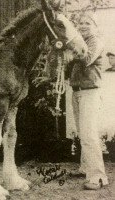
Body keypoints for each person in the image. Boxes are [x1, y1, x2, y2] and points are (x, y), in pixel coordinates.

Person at [68, 11, 109, 190]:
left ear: (95, 26)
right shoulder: (79, 42)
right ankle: (86, 168)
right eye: (80, 23)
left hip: (90, 92)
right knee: (81, 131)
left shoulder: (96, 41)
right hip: (77, 92)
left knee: (89, 134)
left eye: (87, 23)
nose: (83, 25)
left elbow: (87, 58)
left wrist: (69, 54)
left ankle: (98, 177)